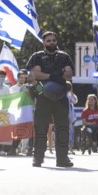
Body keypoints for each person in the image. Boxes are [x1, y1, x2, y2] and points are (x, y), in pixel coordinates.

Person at [26, 31, 74, 167]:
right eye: (48, 41)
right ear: (43, 43)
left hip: (61, 97)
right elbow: (36, 74)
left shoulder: (64, 56)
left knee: (63, 128)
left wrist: (48, 75)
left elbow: (69, 74)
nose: (51, 43)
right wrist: (57, 74)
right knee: (41, 127)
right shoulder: (37, 56)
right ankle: (38, 158)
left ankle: (62, 158)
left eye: (53, 40)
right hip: (43, 97)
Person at [9, 69, 32, 156]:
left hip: (29, 111)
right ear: (18, 78)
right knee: (19, 131)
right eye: (21, 77)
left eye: (25, 77)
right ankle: (14, 149)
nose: (23, 79)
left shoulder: (31, 87)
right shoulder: (13, 89)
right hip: (18, 113)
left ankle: (29, 150)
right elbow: (12, 101)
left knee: (31, 130)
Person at [67, 81, 78, 155]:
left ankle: (70, 148)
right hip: (65, 114)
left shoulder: (70, 94)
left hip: (71, 115)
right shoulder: (62, 94)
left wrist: (71, 93)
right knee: (66, 132)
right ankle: (66, 148)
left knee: (70, 132)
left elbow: (75, 101)